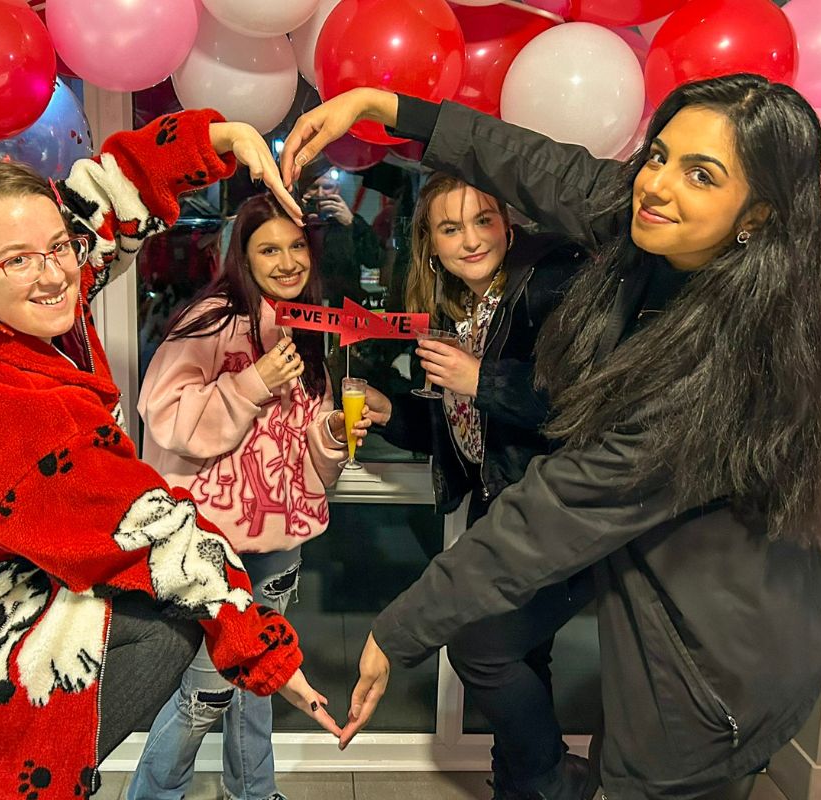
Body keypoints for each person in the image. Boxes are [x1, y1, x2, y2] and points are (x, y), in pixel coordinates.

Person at [281, 74, 821, 800]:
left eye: (701, 175)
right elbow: (549, 170)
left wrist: (398, 628)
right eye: (659, 156)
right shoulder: (655, 234)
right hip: (664, 611)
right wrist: (387, 108)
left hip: (718, 670)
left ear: (759, 214)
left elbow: (554, 509)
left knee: (640, 774)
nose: (657, 185)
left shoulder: (724, 365)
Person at [0, 111, 339, 800]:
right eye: (19, 260)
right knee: (166, 635)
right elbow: (157, 534)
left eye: (58, 247)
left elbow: (107, 197)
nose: (56, 275)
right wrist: (265, 653)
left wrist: (216, 140)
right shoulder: (27, 417)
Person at [129, 193, 371, 800]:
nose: (287, 262)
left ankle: (255, 793)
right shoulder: (209, 320)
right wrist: (251, 383)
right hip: (209, 551)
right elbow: (164, 416)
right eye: (269, 249)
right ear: (242, 254)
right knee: (205, 696)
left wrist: (331, 435)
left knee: (259, 683)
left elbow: (304, 452)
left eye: (296, 246)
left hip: (278, 547)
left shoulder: (306, 324)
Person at [361, 171, 586, 795]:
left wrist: (480, 378)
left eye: (483, 220)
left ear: (507, 226)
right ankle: (520, 787)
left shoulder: (543, 290)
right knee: (524, 657)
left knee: (477, 646)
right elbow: (459, 424)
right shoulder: (457, 314)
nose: (470, 239)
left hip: (556, 513)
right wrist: (391, 411)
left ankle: (555, 781)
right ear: (430, 244)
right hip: (500, 510)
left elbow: (574, 402)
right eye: (450, 228)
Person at [300, 164, 386, 309]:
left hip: (344, 305)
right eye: (314, 187)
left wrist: (352, 223)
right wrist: (300, 218)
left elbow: (375, 259)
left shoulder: (350, 222)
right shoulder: (296, 222)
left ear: (337, 189)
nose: (320, 194)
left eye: (327, 187)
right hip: (306, 304)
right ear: (304, 191)